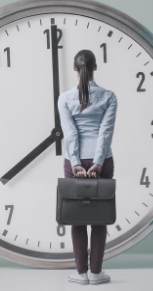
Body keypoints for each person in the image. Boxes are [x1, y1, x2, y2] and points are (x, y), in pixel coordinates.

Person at [58, 49, 116, 285]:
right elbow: (105, 132)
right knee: (100, 217)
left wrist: (75, 163)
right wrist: (98, 162)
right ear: (95, 68)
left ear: (74, 68)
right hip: (103, 160)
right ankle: (96, 273)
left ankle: (81, 274)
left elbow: (70, 133)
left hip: (75, 162)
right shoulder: (109, 96)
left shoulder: (64, 98)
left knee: (77, 217)